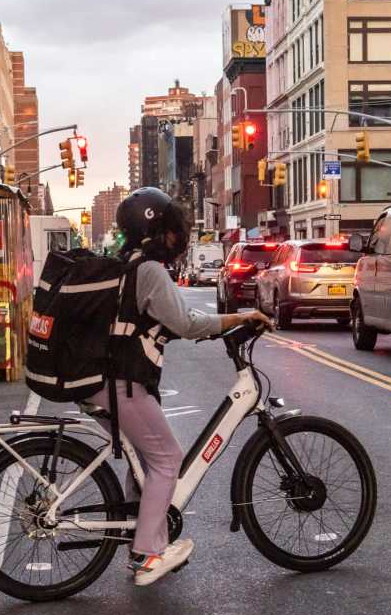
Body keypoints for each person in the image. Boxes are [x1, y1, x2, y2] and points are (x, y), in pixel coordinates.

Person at [89, 187, 270, 587]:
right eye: (174, 230)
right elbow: (186, 323)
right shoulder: (148, 271)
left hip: (101, 380)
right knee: (167, 459)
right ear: (160, 231)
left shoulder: (126, 263)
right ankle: (148, 554)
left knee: (145, 460)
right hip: (121, 385)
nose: (180, 238)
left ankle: (144, 535)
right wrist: (236, 319)